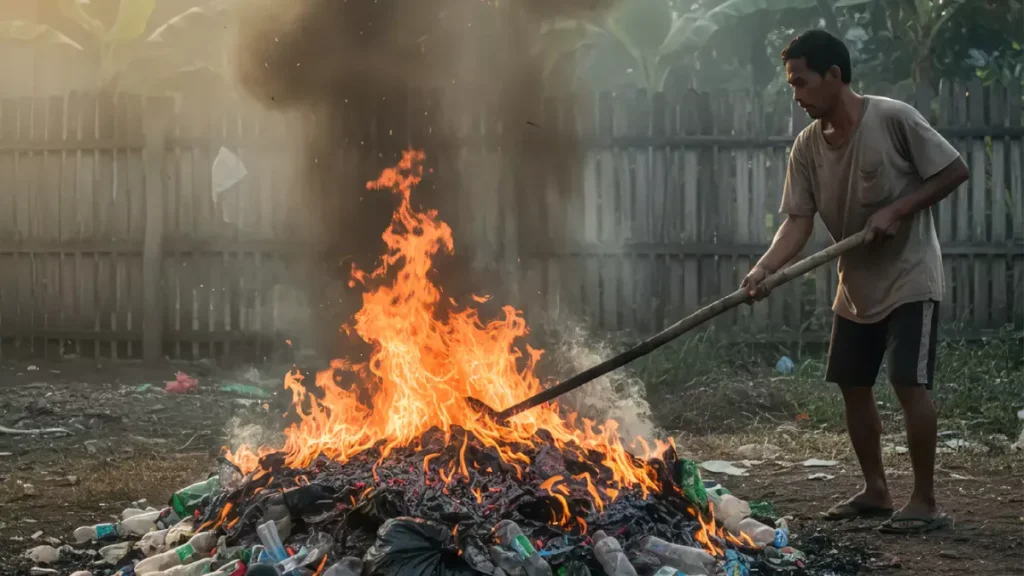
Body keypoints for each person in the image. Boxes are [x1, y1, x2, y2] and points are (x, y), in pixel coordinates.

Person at [740, 30, 969, 534]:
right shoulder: (806, 148)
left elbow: (955, 170)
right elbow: (798, 221)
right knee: (852, 383)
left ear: (835, 76)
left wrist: (898, 209)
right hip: (856, 287)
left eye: (801, 83)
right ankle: (876, 490)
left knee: (908, 383)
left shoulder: (892, 118)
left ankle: (925, 501)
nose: (795, 95)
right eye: (791, 85)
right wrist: (764, 269)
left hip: (911, 277)